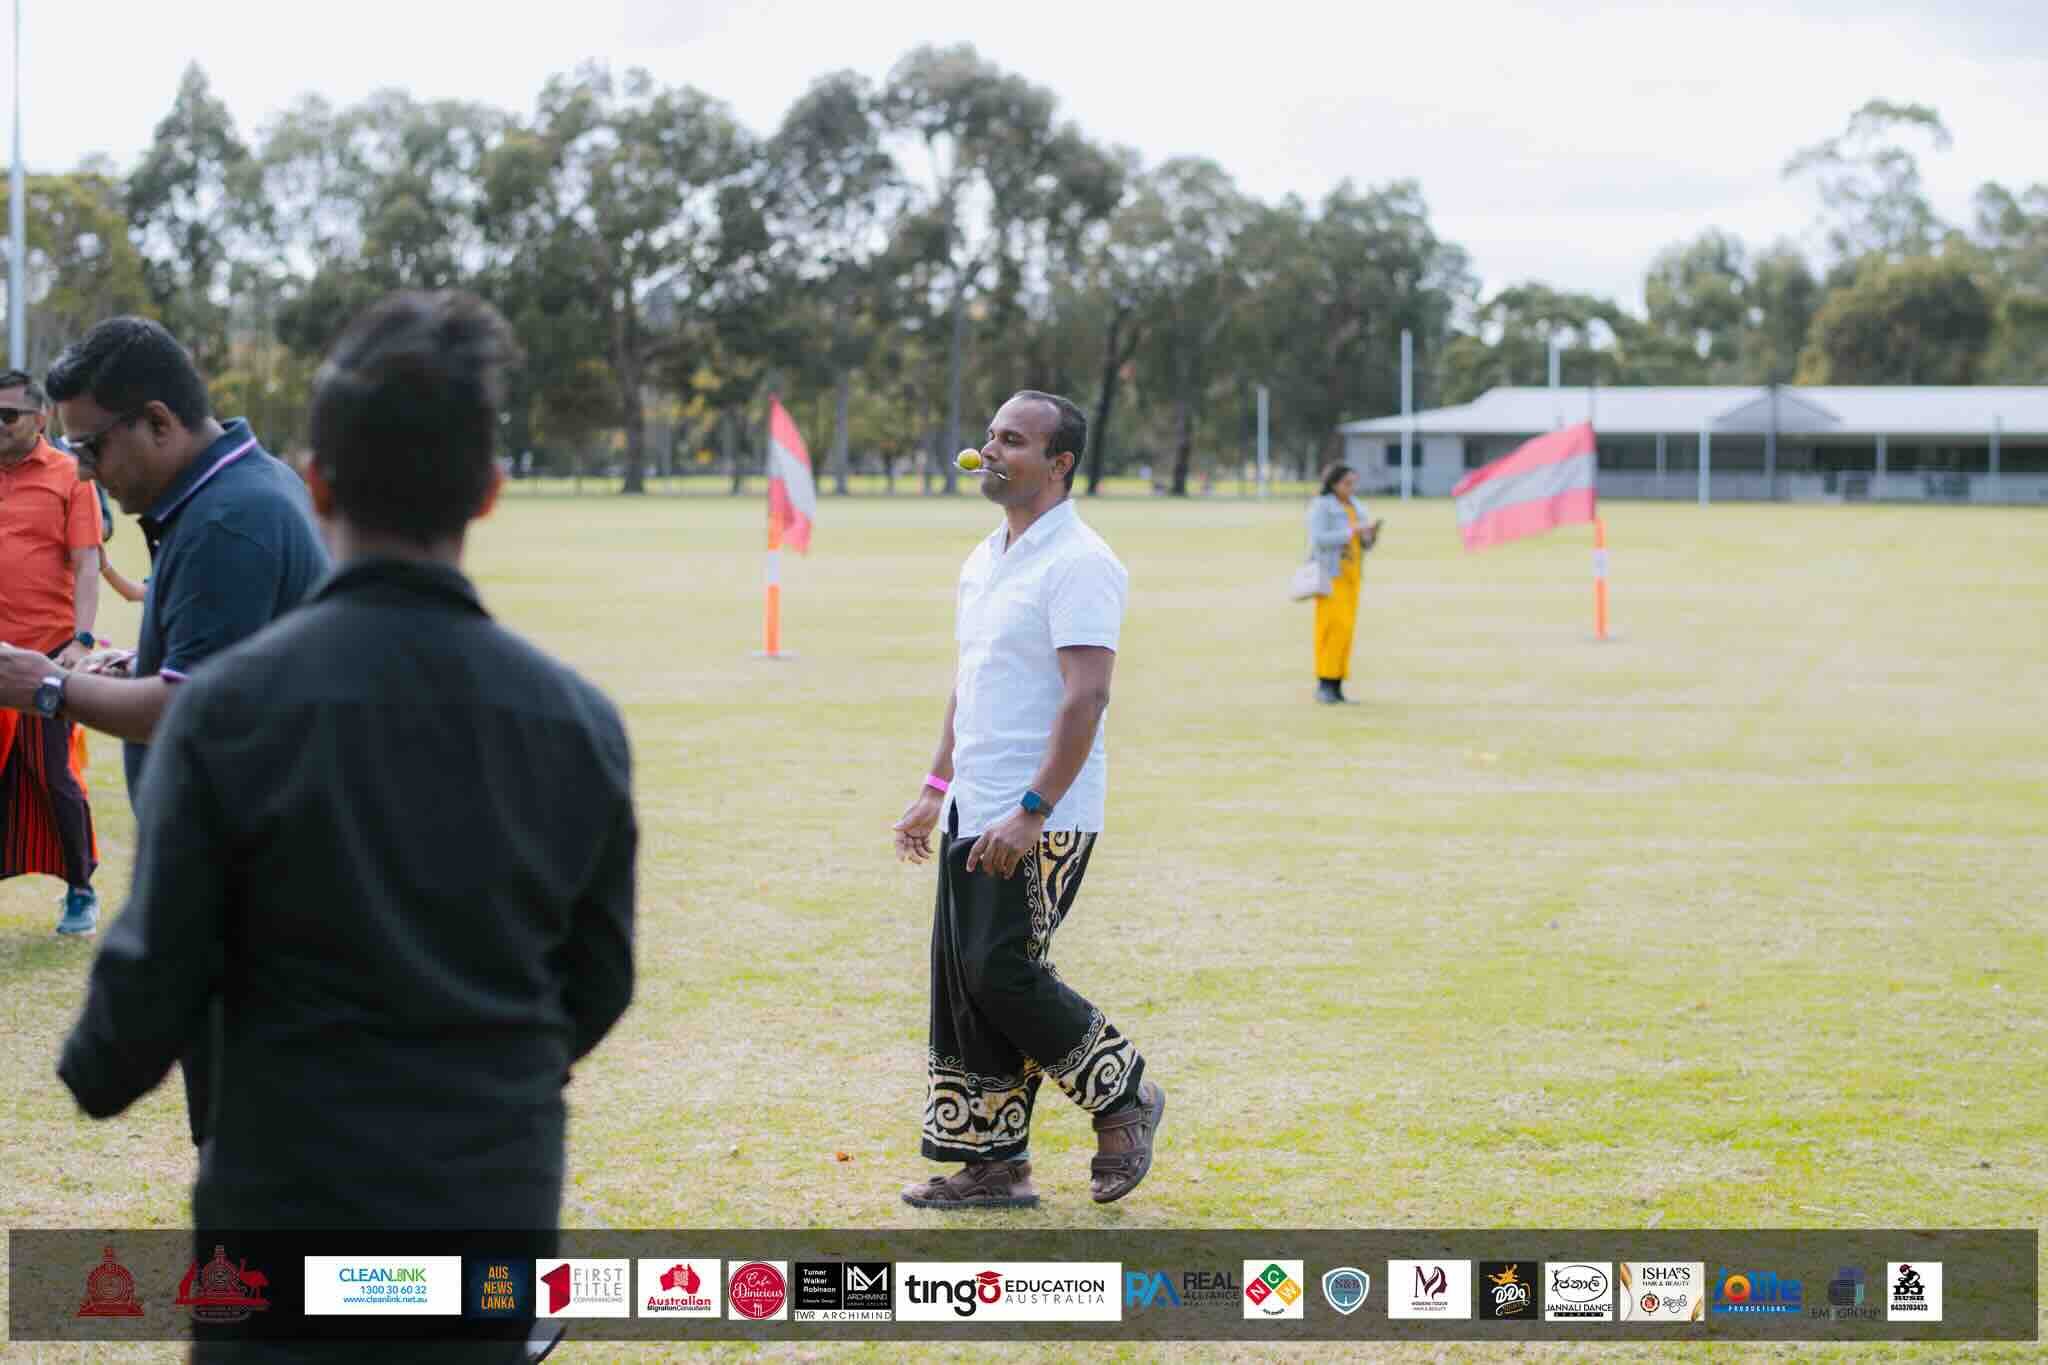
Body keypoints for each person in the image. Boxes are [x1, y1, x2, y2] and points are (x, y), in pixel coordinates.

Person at [56, 292, 635, 1361]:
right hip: (485, 1214)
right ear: (492, 494)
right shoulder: (577, 722)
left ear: (316, 485)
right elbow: (597, 982)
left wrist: (97, 1064)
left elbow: (138, 1010)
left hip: (286, 1221)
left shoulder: (227, 714)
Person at [0, 317, 329, 1142]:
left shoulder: (227, 521)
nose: (87, 472)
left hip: (259, 895)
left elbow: (193, 705)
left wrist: (46, 687)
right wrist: (123, 668)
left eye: (92, 448)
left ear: (156, 420)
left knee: (251, 1152)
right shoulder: (246, 486)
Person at [891, 389, 1164, 1210]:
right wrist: (934, 788)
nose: (992, 449)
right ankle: (994, 1165)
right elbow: (970, 684)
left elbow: (1087, 695)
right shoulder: (986, 557)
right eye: (990, 436)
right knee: (964, 981)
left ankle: (1124, 1095)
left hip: (1041, 814)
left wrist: (1034, 807)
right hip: (976, 803)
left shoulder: (1080, 562)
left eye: (1015, 439)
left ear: (1060, 463)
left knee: (1000, 970)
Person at [0, 370, 105, 933]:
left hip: (46, 655)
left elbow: (88, 563)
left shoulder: (70, 475)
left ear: (38, 419)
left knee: (54, 775)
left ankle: (81, 889)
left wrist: (82, 643)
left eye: (6, 416)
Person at [1306, 463, 1381, 704]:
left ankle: (1337, 685)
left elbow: (1363, 542)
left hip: (1352, 577)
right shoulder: (1322, 506)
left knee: (1346, 632)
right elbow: (1318, 539)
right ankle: (1324, 683)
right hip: (1331, 575)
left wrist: (1370, 534)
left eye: (1354, 483)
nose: (1351, 488)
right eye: (1347, 483)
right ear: (1334, 483)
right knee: (1331, 629)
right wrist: (1352, 531)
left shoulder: (1356, 506)